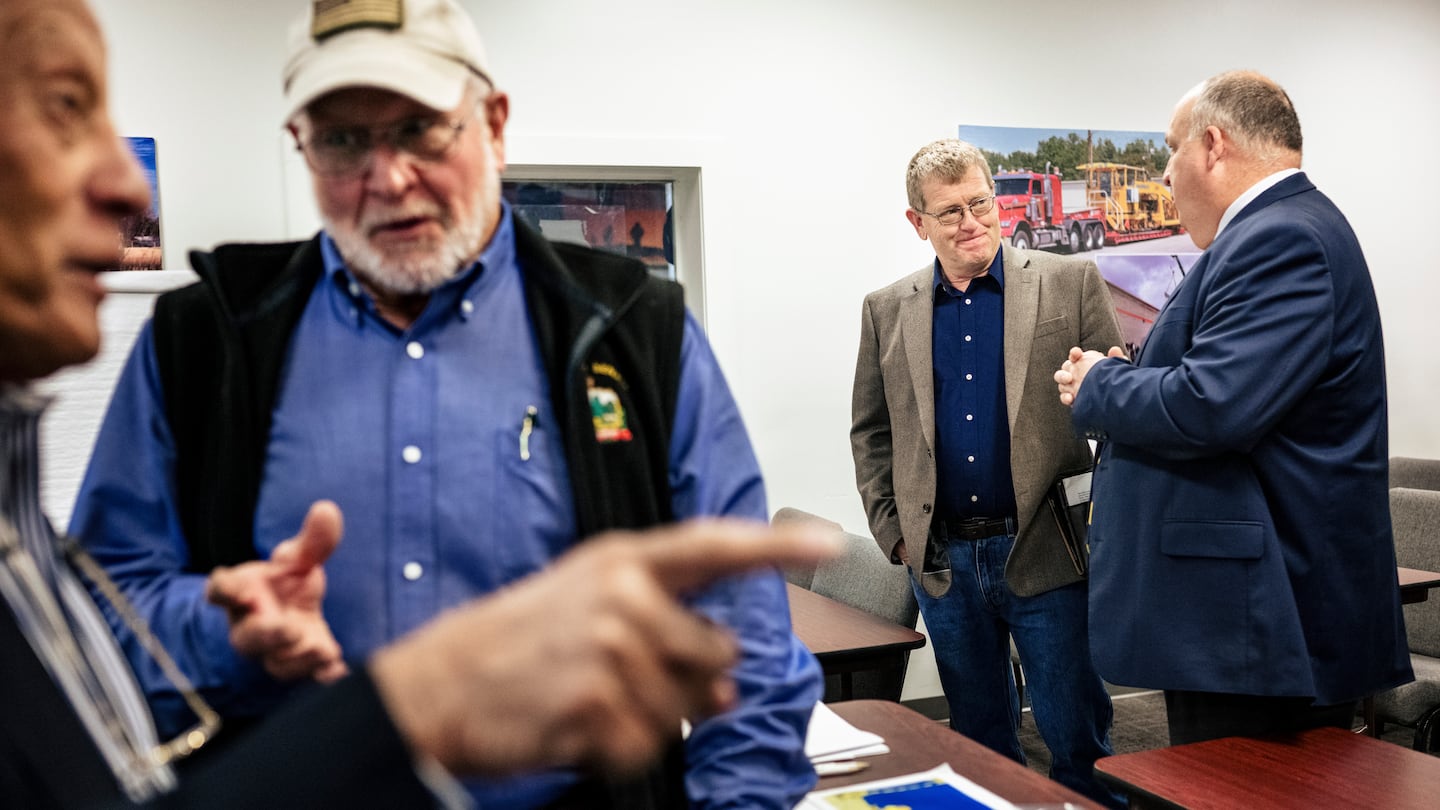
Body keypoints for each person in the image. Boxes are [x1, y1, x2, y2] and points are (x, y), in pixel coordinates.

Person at [0, 2, 843, 806]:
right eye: (341, 141)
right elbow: (103, 628)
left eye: (417, 129)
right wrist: (228, 638)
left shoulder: (634, 330)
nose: (388, 176)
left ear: (496, 124)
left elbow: (749, 651)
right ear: (302, 146)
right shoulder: (204, 337)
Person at [1054, 70, 1413, 745]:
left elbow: (1209, 404)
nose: (1162, 174)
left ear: (1213, 145)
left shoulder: (1283, 240)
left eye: (1169, 149)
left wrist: (1101, 383)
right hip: (1245, 620)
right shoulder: (1278, 232)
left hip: (1263, 623)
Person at [850, 138, 1125, 806]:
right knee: (975, 744)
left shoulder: (1068, 282)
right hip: (945, 561)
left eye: (980, 202)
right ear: (918, 223)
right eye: (950, 213)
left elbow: (1119, 406)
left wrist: (1105, 526)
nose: (971, 221)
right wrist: (896, 538)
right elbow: (872, 431)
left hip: (1047, 547)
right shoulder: (886, 309)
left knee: (1076, 736)